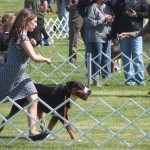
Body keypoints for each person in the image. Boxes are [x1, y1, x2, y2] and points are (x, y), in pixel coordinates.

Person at [0, 8, 51, 139]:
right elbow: (34, 57)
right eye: (34, 21)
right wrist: (46, 59)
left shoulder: (21, 36)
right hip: (9, 74)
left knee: (33, 98)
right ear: (26, 22)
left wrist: (31, 44)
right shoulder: (22, 37)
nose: (36, 24)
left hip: (20, 75)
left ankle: (32, 132)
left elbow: (24, 52)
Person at [111, 0, 149, 85]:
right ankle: (129, 80)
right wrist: (114, 35)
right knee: (125, 58)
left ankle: (140, 80)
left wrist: (136, 14)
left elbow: (147, 13)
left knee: (137, 56)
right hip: (122, 34)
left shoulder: (142, 1)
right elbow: (115, 19)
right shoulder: (119, 2)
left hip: (136, 33)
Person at [87, 0, 114, 86]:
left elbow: (108, 20)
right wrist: (104, 19)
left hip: (106, 35)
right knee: (97, 58)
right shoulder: (93, 8)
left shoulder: (106, 7)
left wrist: (110, 20)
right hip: (96, 36)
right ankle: (95, 80)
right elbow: (90, 23)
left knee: (106, 57)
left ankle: (106, 77)